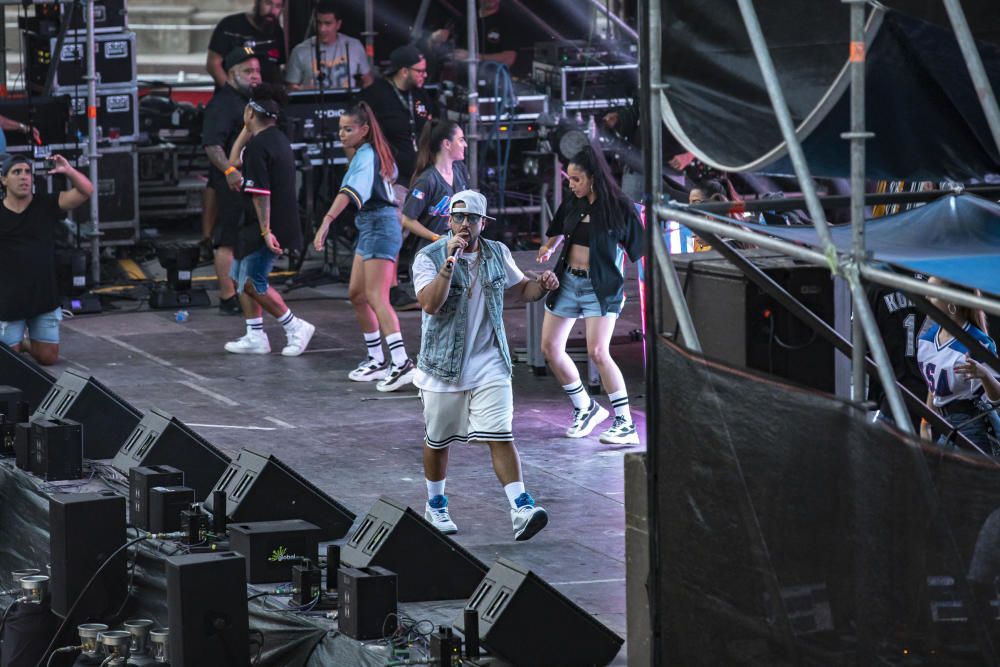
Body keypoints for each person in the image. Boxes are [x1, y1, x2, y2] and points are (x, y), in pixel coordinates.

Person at [414, 189, 558, 540]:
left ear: (484, 223)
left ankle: (521, 508)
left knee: (502, 435)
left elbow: (521, 289)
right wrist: (450, 264)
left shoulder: (497, 253)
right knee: (438, 440)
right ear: (448, 220)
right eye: (458, 217)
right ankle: (436, 505)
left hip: (490, 361)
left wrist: (542, 287)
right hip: (442, 366)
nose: (464, 224)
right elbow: (430, 304)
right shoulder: (429, 257)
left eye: (472, 219)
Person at [536, 146, 645, 445]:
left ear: (593, 178)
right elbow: (559, 229)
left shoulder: (620, 207)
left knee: (598, 351)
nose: (571, 185)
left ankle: (625, 423)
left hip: (601, 286)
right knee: (550, 348)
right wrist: (550, 246)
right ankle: (585, 408)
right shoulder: (574, 200)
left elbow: (639, 248)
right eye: (569, 179)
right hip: (568, 281)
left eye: (576, 179)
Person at [312, 102, 415, 391]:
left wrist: (326, 221)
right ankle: (377, 358)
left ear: (364, 130)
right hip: (371, 225)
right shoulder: (368, 153)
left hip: (381, 226)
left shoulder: (367, 154)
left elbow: (349, 192)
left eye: (348, 129)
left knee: (376, 296)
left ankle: (401, 361)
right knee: (357, 294)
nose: (341, 135)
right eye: (340, 129)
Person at [223, 84, 315, 357]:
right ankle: (255, 335)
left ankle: (295, 326)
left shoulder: (260, 146)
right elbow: (232, 162)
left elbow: (261, 195)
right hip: (255, 223)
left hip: (267, 225)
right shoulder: (273, 139)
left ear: (250, 111)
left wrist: (265, 231)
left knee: (253, 282)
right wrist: (247, 126)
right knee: (238, 277)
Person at [0, 154, 92, 365]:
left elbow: (86, 191)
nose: (24, 177)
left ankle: (24, 344)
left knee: (48, 358)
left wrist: (69, 171)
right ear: (4, 179)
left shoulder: (46, 204)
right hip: (8, 300)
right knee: (9, 363)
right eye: (16, 172)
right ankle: (14, 343)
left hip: (43, 296)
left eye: (28, 172)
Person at [202, 49, 262, 316]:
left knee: (245, 238)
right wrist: (229, 171)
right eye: (248, 72)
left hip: (250, 181)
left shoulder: (248, 102)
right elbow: (212, 145)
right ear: (230, 73)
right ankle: (227, 296)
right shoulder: (222, 104)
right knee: (228, 239)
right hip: (231, 183)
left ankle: (243, 289)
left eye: (257, 71)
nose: (255, 77)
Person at [917, 277, 1000, 452]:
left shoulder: (977, 343)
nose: (926, 297)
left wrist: (984, 375)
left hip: (971, 424)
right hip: (944, 425)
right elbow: (935, 387)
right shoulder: (927, 339)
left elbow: (997, 398)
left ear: (951, 300)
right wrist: (926, 423)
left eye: (933, 294)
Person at [357, 44, 435, 201]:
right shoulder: (376, 95)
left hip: (421, 173)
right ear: (404, 71)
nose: (425, 75)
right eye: (419, 71)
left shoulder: (420, 94)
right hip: (392, 177)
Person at [400, 119, 469, 243]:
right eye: (461, 140)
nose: (465, 144)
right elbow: (407, 219)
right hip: (430, 255)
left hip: (455, 252)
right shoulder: (427, 181)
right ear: (447, 144)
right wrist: (437, 238)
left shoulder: (459, 170)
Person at [286, 0, 372, 90]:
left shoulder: (354, 46)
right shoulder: (299, 51)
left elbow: (368, 81)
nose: (322, 29)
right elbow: (290, 87)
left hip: (348, 103)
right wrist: (303, 89)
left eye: (328, 24)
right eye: (319, 23)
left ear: (338, 24)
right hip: (314, 103)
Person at [206, 0, 286, 88]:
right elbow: (213, 65)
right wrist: (232, 93)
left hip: (265, 97)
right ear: (257, 3)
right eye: (268, 3)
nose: (272, 11)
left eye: (278, 6)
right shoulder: (230, 25)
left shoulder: (278, 33)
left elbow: (276, 68)